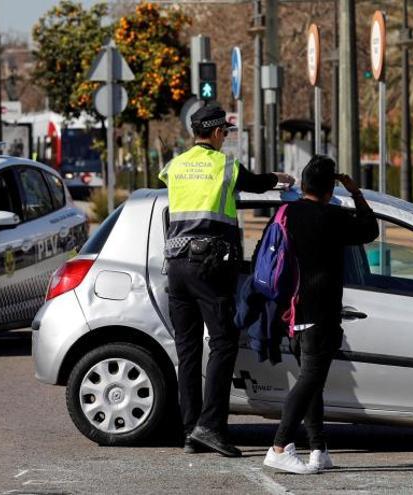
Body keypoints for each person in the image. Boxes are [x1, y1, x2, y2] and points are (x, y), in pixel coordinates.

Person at [158, 106, 294, 457]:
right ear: (218, 133)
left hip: (176, 266)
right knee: (223, 344)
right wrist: (280, 178)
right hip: (209, 267)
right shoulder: (226, 166)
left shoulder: (175, 166)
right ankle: (211, 427)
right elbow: (257, 183)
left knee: (187, 351)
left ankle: (190, 430)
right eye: (226, 132)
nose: (226, 138)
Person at [262, 156, 378, 474]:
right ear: (330, 189)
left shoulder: (287, 213)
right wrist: (355, 193)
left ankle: (318, 448)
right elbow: (370, 230)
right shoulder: (332, 216)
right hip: (320, 311)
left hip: (293, 310)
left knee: (312, 381)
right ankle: (278, 446)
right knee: (310, 379)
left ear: (303, 183)